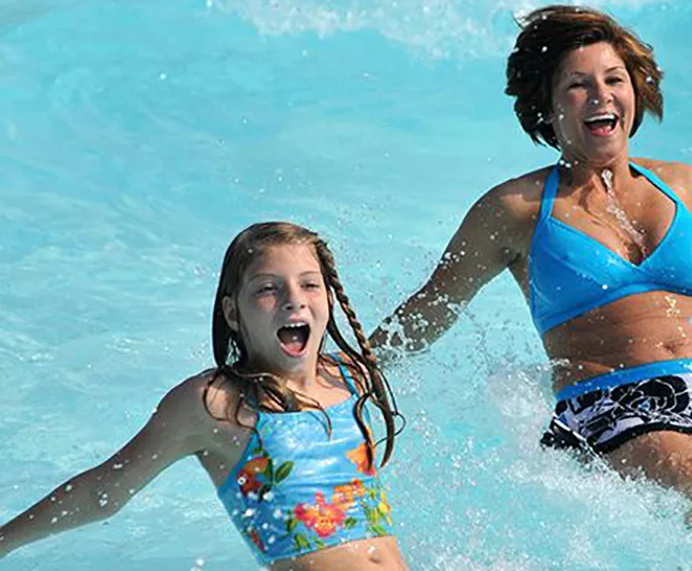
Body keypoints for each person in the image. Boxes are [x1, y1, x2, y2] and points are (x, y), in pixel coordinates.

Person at [370, 5, 692, 566]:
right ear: (547, 107)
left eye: (613, 79)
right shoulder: (516, 209)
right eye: (578, 85)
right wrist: (352, 366)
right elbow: (436, 302)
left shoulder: (685, 185)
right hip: (613, 407)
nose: (601, 96)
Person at [0, 221, 406, 570]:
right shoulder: (217, 404)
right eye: (268, 288)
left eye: (309, 284)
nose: (293, 299)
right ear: (232, 313)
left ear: (330, 299)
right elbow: (104, 491)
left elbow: (429, 309)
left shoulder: (350, 376)